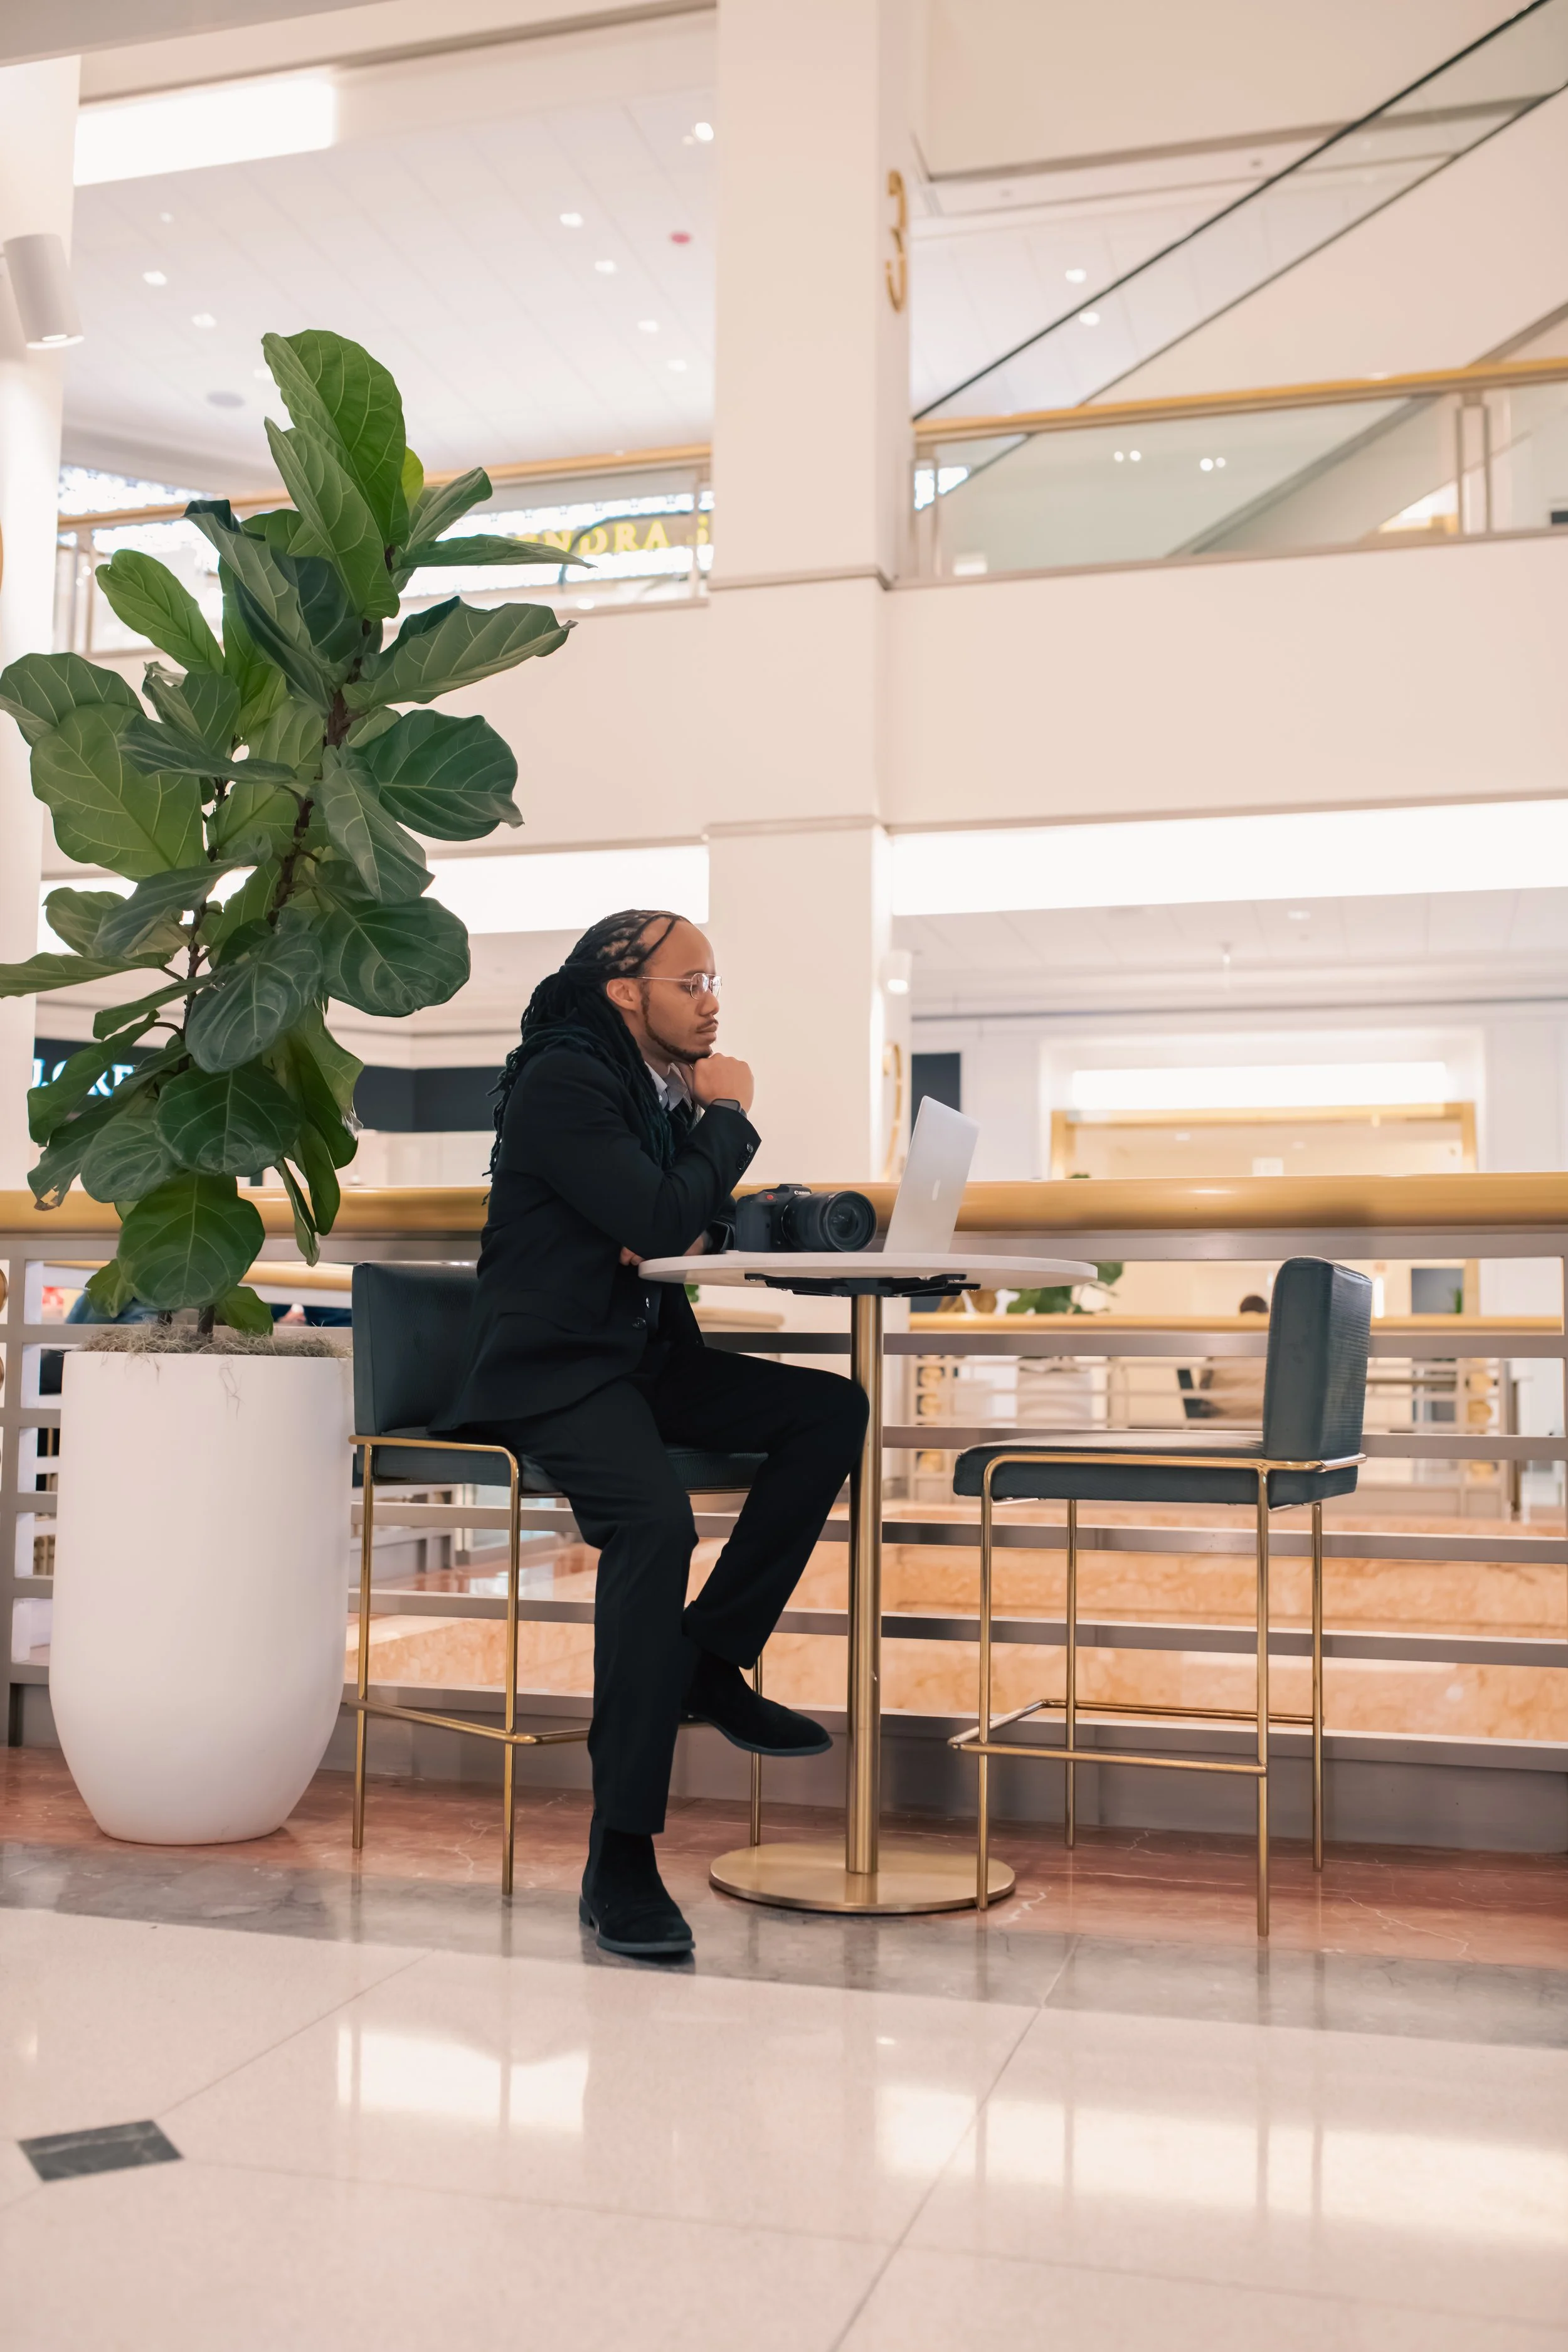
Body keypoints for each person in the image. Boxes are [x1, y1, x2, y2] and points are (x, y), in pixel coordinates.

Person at [439, 909, 868, 1960]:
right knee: (654, 1524)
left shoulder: (653, 1088)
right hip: (553, 1367)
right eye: (692, 981)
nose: (712, 1001)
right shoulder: (565, 1078)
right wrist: (730, 1119)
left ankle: (707, 1658)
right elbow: (658, 1214)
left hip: (638, 1359)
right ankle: (619, 1856)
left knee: (830, 1411)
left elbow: (673, 1219)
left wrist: (676, 1205)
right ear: (625, 990)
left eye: (715, 980)